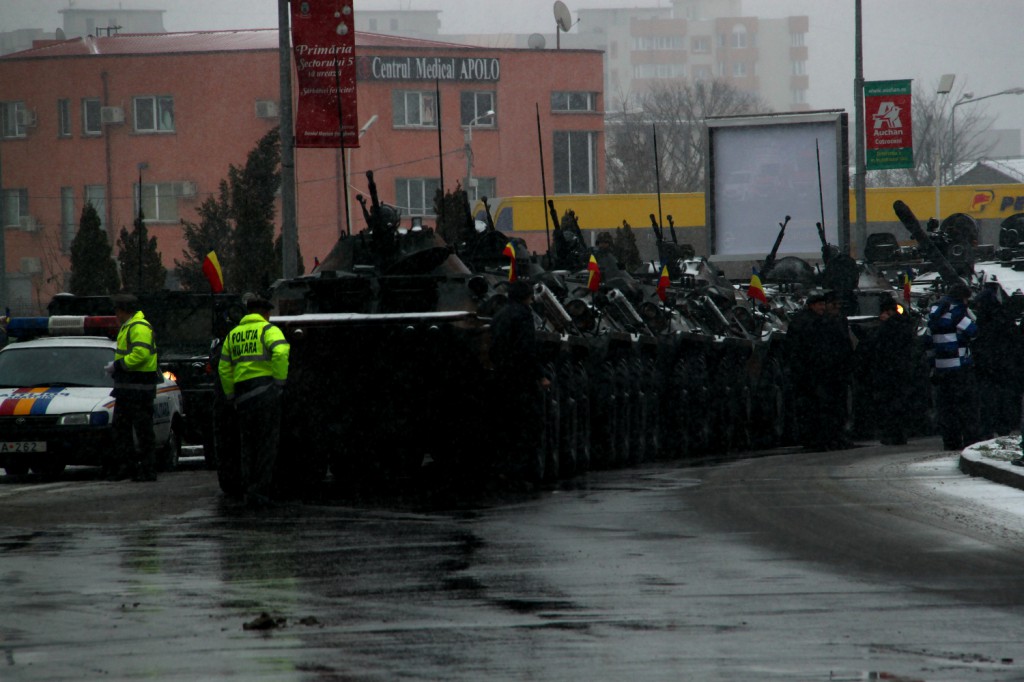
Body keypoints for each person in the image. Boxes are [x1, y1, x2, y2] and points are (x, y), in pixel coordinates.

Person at [218, 293, 290, 507]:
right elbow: (281, 352)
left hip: (242, 397)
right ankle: (260, 491)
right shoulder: (268, 330)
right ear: (266, 313)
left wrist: (231, 395)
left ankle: (248, 489)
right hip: (265, 393)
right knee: (266, 445)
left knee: (247, 446)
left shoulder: (234, 335)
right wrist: (279, 383)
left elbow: (223, 367)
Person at [489, 280, 550, 482]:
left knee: (505, 424)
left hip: (501, 375)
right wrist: (540, 375)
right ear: (527, 296)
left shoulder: (499, 315)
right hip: (521, 377)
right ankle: (524, 472)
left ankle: (504, 470)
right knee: (528, 425)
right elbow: (526, 348)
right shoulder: (523, 315)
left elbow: (493, 347)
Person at [106, 292, 159, 482]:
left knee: (142, 431)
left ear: (122, 311)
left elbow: (141, 355)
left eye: (117, 311)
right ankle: (129, 467)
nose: (116, 315)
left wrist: (118, 366)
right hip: (130, 388)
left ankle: (146, 469)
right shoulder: (129, 326)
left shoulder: (139, 327)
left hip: (138, 389)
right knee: (124, 430)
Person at [926, 282, 979, 451]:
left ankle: (950, 441)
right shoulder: (957, 312)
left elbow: (928, 341)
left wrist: (932, 365)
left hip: (941, 368)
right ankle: (970, 440)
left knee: (946, 408)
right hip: (960, 367)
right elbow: (974, 331)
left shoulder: (934, 313)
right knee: (966, 406)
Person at [864, 296, 920, 445]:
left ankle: (891, 433)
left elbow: (876, 345)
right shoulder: (906, 325)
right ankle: (900, 433)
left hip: (888, 371)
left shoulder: (887, 328)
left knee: (889, 404)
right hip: (901, 370)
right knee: (899, 403)